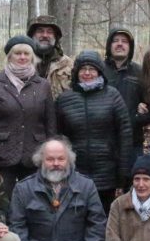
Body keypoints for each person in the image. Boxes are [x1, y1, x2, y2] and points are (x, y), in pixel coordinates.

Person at [9, 137, 106, 241]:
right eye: (50, 159)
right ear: (41, 161)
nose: (56, 164)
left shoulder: (86, 186)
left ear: (69, 161)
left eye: (61, 159)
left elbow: (97, 221)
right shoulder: (23, 188)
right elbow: (17, 223)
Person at [56, 51, 132, 213]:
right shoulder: (65, 99)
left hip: (107, 173)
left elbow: (125, 133)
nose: (88, 73)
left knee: (103, 219)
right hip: (75, 173)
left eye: (92, 69)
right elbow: (57, 136)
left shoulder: (112, 96)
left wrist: (123, 172)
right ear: (76, 72)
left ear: (100, 72)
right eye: (83, 69)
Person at [0, 35, 57, 195]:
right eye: (18, 53)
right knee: (3, 203)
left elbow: (51, 125)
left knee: (34, 203)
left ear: (32, 57)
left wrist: (51, 156)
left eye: (26, 53)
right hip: (2, 156)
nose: (22, 57)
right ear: (9, 57)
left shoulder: (43, 85)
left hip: (34, 156)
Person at [103, 27, 150, 159]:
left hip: (133, 142)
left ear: (130, 47)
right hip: (103, 143)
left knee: (132, 179)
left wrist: (139, 117)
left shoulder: (140, 73)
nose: (120, 44)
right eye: (115, 41)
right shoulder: (99, 71)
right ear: (109, 45)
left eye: (124, 41)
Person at [28, 15, 73, 99]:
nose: (45, 35)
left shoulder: (68, 64)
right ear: (32, 35)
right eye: (40, 31)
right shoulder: (21, 62)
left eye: (50, 32)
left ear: (56, 37)